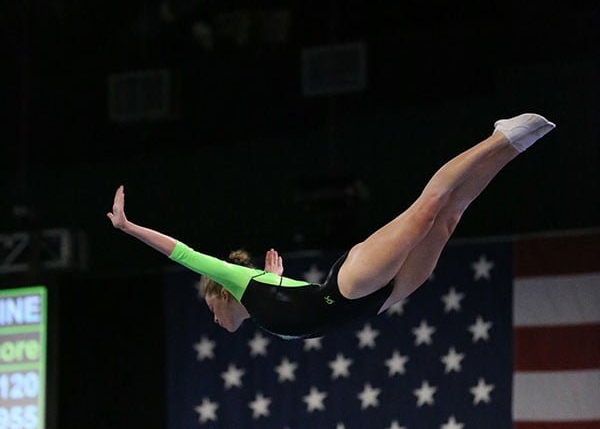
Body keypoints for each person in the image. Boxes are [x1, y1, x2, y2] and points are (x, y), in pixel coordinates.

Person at [108, 113, 555, 339]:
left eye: (210, 308)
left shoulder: (239, 281)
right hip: (385, 299)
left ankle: (501, 136)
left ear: (221, 292)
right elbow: (288, 301)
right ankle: (514, 146)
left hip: (351, 287)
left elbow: (183, 253)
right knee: (450, 217)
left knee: (427, 210)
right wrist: (277, 280)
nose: (213, 317)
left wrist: (130, 228)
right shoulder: (263, 296)